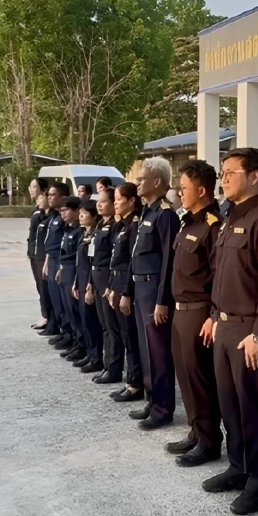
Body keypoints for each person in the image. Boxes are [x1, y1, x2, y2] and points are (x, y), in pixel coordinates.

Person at [205, 147, 258, 515]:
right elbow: (222, 276)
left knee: (253, 406)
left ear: (254, 176)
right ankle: (238, 466)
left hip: (248, 329)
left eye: (230, 172)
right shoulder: (228, 217)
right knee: (229, 402)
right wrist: (212, 313)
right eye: (222, 172)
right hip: (223, 323)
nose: (223, 179)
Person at [168, 159, 223, 467]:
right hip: (180, 310)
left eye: (184, 187)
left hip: (199, 310)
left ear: (201, 190)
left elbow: (219, 276)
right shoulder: (187, 221)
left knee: (200, 378)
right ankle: (195, 429)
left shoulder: (214, 225)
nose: (180, 191)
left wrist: (213, 315)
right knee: (186, 377)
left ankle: (208, 440)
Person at [129, 158, 180, 430]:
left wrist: (163, 300)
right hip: (141, 287)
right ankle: (152, 399)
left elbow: (168, 262)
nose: (137, 182)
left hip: (154, 290)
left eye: (141, 178)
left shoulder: (165, 214)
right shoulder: (147, 212)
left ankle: (163, 407)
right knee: (146, 349)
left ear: (157, 182)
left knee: (159, 351)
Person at [106, 182, 145, 403]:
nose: (115, 204)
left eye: (118, 199)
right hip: (118, 283)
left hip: (128, 286)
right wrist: (112, 286)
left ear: (131, 200)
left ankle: (135, 384)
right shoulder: (122, 225)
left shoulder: (135, 225)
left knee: (131, 337)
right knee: (124, 334)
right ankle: (130, 380)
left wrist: (125, 291)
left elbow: (131, 262)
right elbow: (115, 261)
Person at [89, 187, 123, 385]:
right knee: (104, 326)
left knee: (112, 327)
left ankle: (114, 368)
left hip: (108, 278)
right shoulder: (100, 224)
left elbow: (114, 259)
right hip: (97, 276)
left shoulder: (115, 227)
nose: (99, 205)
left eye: (104, 202)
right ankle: (107, 364)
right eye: (98, 201)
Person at [72, 200, 105, 373]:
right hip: (82, 279)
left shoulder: (95, 234)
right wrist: (77, 283)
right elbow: (80, 262)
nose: (81, 216)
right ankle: (89, 353)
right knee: (85, 320)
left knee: (93, 322)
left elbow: (93, 263)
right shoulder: (83, 234)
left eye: (85, 214)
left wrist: (90, 285)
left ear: (94, 217)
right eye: (81, 213)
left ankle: (96, 357)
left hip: (90, 282)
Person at [56, 196, 87, 364]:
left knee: (76, 311)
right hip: (65, 269)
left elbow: (77, 257)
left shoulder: (78, 231)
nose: (63, 214)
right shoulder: (67, 229)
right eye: (61, 211)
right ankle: (76, 341)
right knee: (68, 309)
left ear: (76, 211)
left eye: (66, 210)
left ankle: (82, 345)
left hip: (73, 271)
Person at [42, 184, 71, 346]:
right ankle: (64, 331)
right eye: (49, 195)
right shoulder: (54, 216)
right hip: (51, 259)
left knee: (64, 301)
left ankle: (70, 335)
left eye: (53, 195)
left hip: (61, 262)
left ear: (62, 197)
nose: (49, 198)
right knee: (56, 300)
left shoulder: (64, 218)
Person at [27, 178, 53, 332]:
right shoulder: (36, 209)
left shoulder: (46, 213)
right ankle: (45, 314)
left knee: (45, 288)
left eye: (34, 187)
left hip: (42, 255)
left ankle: (48, 317)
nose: (31, 190)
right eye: (30, 187)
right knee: (39, 287)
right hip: (34, 253)